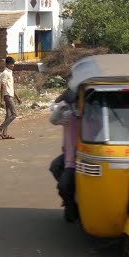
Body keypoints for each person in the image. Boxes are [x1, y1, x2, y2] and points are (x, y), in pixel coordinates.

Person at [48, 92, 79, 222]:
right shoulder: (67, 113)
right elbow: (53, 119)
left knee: (64, 185)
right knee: (56, 168)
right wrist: (61, 107)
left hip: (85, 156)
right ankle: (70, 201)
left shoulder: (94, 111)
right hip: (70, 157)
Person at [0, 57, 21, 139]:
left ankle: (5, 134)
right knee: (14, 114)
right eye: (11, 64)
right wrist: (2, 100)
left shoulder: (10, 72)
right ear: (7, 64)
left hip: (11, 95)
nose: (12, 65)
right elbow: (3, 86)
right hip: (7, 96)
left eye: (13, 64)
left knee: (8, 115)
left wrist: (17, 98)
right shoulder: (5, 73)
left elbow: (11, 87)